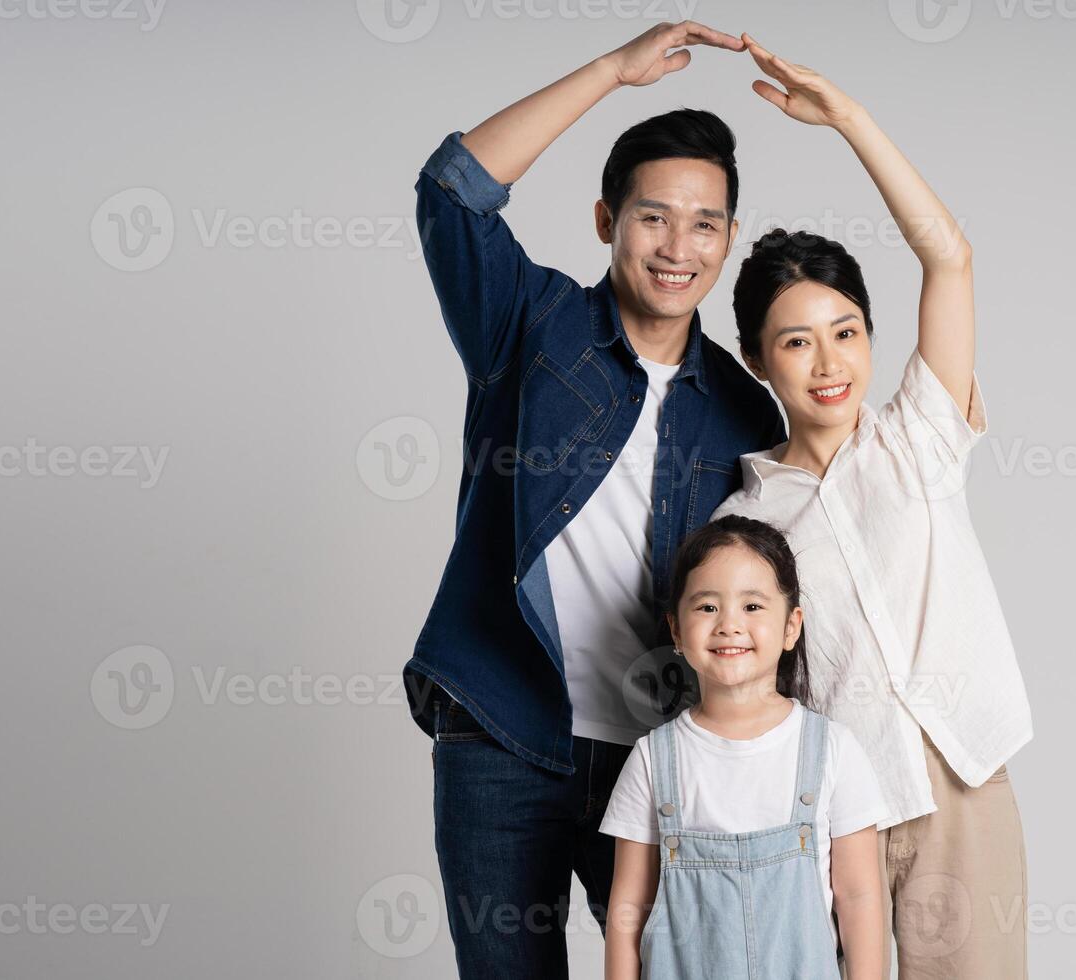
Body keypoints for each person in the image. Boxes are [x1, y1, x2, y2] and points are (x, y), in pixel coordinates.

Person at [404, 22, 786, 979]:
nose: (678, 246)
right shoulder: (532, 329)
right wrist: (613, 73)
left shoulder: (742, 408)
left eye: (705, 224)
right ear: (606, 219)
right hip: (502, 733)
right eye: (652, 216)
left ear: (730, 238)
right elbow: (452, 191)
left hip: (660, 754)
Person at [711, 35, 1035, 978]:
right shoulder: (749, 521)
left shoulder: (918, 440)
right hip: (828, 809)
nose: (829, 362)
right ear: (760, 361)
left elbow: (951, 257)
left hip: (959, 780)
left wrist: (847, 118)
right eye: (798, 342)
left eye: (846, 332)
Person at [601, 515, 889, 980]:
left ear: (791, 626)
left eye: (752, 606)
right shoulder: (654, 760)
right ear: (676, 630)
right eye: (707, 607)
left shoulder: (833, 750)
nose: (729, 625)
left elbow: (859, 898)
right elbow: (628, 910)